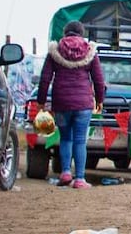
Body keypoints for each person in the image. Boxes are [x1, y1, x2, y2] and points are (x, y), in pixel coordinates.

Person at [36, 20, 105, 189]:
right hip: (83, 103)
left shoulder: (55, 51)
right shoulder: (90, 52)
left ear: (65, 33)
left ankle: (66, 172)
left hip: (61, 102)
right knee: (80, 141)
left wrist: (41, 101)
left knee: (66, 138)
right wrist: (100, 100)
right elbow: (98, 79)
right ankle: (80, 179)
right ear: (81, 34)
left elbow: (45, 79)